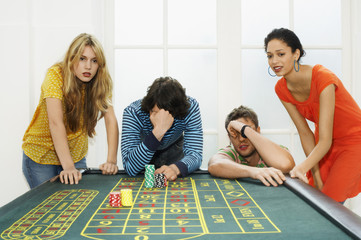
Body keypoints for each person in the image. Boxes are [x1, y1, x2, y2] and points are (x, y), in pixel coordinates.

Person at [264, 27, 361, 202]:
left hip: (354, 140)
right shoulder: (281, 88)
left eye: (280, 54)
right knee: (316, 195)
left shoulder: (323, 78)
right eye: (270, 56)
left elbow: (325, 140)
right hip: (324, 143)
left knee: (331, 202)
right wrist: (315, 175)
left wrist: (301, 168)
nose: (274, 61)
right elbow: (305, 132)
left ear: (296, 54)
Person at [22, 33, 119, 189]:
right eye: (82, 59)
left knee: (76, 209)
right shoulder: (55, 75)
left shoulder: (101, 81)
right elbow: (55, 122)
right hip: (41, 157)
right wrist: (68, 167)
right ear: (71, 58)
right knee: (48, 211)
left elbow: (110, 119)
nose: (88, 66)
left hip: (75, 156)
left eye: (94, 61)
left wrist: (111, 161)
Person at [121, 77, 203, 181]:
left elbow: (195, 154)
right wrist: (158, 131)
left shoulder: (190, 107)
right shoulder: (133, 112)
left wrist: (175, 168)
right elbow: (130, 167)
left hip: (175, 152)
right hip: (144, 153)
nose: (162, 118)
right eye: (156, 113)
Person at [208, 105, 294, 186]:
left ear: (257, 131)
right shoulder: (232, 152)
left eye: (244, 133)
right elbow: (214, 165)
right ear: (229, 138)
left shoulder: (272, 150)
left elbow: (286, 165)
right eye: (235, 134)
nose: (241, 139)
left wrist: (244, 129)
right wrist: (253, 172)